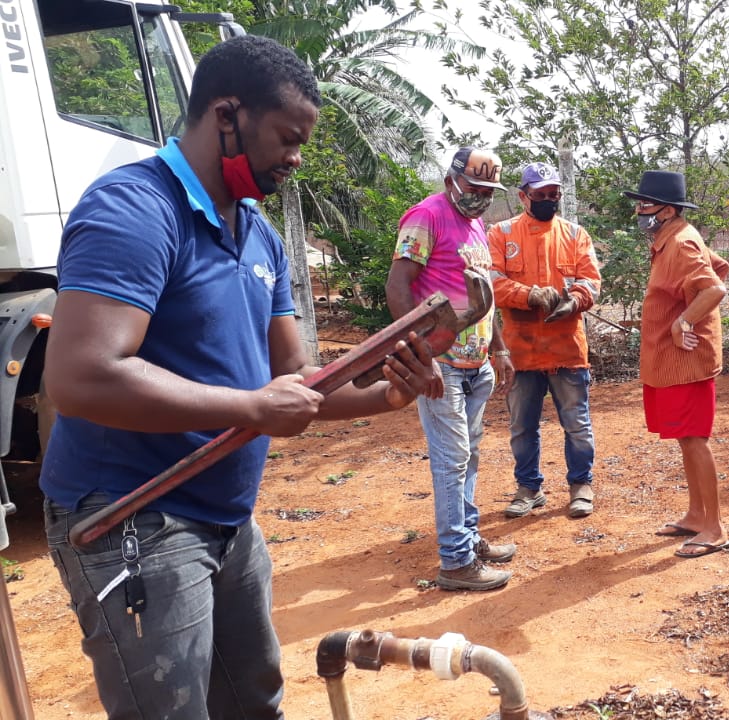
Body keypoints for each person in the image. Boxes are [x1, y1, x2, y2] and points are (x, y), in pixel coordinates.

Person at [38, 35, 444, 719]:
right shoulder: (135, 210)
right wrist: (249, 408)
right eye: (287, 138)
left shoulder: (256, 232)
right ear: (227, 114)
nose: (295, 159)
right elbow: (80, 376)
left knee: (254, 705)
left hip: (226, 520)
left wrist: (386, 395)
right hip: (133, 517)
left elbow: (294, 377)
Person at [386, 146, 518, 592]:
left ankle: (468, 538)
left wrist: (498, 348)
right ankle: (456, 562)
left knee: (469, 456)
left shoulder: (476, 224)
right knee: (451, 459)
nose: (481, 197)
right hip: (441, 362)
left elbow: (485, 297)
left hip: (476, 362)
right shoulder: (427, 216)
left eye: (488, 191)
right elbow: (398, 285)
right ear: (452, 179)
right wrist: (419, 354)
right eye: (475, 187)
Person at [624, 170, 729, 559]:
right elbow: (718, 266)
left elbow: (713, 287)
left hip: (687, 359)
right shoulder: (672, 238)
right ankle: (695, 515)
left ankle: (715, 528)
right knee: (686, 438)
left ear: (667, 210)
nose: (639, 211)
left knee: (694, 439)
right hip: (672, 360)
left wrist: (684, 321)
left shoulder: (681, 243)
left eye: (645, 205)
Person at [488, 162, 601, 519]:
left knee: (577, 424)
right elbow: (488, 282)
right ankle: (528, 488)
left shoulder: (575, 234)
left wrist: (575, 299)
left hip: (566, 348)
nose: (549, 199)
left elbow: (591, 281)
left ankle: (580, 485)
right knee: (522, 426)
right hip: (520, 351)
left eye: (554, 194)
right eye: (541, 195)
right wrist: (529, 295)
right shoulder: (501, 234)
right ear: (523, 196)